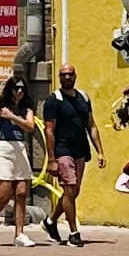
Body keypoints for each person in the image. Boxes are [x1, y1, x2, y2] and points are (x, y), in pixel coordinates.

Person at [0, 72, 44, 241]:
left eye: (22, 88)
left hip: (19, 148)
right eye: (16, 88)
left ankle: (20, 233)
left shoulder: (26, 108)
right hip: (3, 148)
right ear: (10, 90)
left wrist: (12, 117)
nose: (19, 91)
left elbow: (30, 126)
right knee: (3, 196)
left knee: (21, 192)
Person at [45, 66, 97, 244]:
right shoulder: (54, 100)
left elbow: (91, 125)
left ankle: (51, 221)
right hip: (62, 149)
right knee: (69, 187)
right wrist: (51, 159)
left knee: (73, 191)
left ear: (75, 76)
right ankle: (74, 233)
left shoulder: (83, 97)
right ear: (59, 77)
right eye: (63, 75)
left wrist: (100, 151)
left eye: (70, 74)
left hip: (80, 150)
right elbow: (49, 130)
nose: (67, 77)